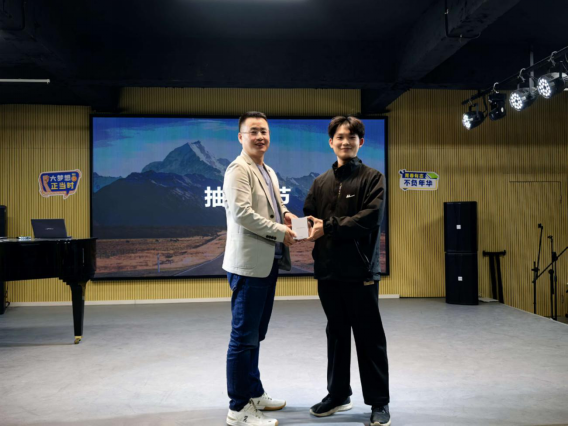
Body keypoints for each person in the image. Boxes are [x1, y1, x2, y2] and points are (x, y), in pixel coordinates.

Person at [303, 116, 391, 426]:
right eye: (340, 137)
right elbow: (309, 213)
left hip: (361, 272)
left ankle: (379, 402)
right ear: (331, 142)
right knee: (337, 335)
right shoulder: (320, 182)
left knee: (369, 338)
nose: (345, 142)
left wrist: (327, 226)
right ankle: (338, 394)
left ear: (360, 142)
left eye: (351, 137)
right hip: (328, 272)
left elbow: (370, 218)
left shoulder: (373, 178)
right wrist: (303, 225)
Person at [223, 111, 298, 426]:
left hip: (267, 264)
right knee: (243, 337)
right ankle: (238, 408)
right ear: (241, 137)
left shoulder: (267, 170)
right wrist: (280, 231)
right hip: (248, 267)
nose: (260, 137)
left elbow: (274, 206)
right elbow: (242, 213)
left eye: (264, 131)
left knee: (255, 334)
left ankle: (253, 392)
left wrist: (286, 214)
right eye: (253, 131)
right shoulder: (238, 169)